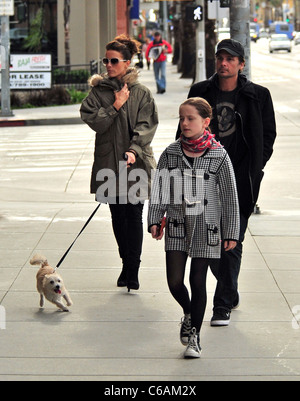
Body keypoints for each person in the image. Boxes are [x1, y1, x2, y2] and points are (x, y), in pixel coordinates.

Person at [176, 39, 277, 326]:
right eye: (220, 58)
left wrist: (256, 166)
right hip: (204, 180)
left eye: (231, 59)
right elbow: (183, 128)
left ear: (241, 64)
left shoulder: (258, 95)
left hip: (241, 181)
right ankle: (229, 289)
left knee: (232, 240)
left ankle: (222, 306)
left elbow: (268, 134)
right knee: (209, 243)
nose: (224, 63)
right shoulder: (201, 92)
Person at [148, 97, 240, 358]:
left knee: (197, 280)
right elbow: (159, 191)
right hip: (177, 224)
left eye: (191, 118)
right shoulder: (171, 153)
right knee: (175, 282)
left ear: (206, 122)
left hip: (207, 226)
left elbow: (230, 197)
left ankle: (195, 338)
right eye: (181, 118)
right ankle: (189, 313)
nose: (185, 123)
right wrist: (155, 219)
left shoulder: (219, 155)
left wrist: (231, 231)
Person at [80, 34, 158, 292]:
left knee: (133, 214)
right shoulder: (98, 92)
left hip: (135, 164)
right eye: (106, 60)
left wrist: (135, 149)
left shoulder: (142, 94)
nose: (108, 65)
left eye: (114, 61)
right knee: (117, 214)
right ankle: (125, 263)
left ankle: (133, 270)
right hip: (107, 163)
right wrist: (115, 105)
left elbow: (147, 126)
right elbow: (94, 122)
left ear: (127, 62)